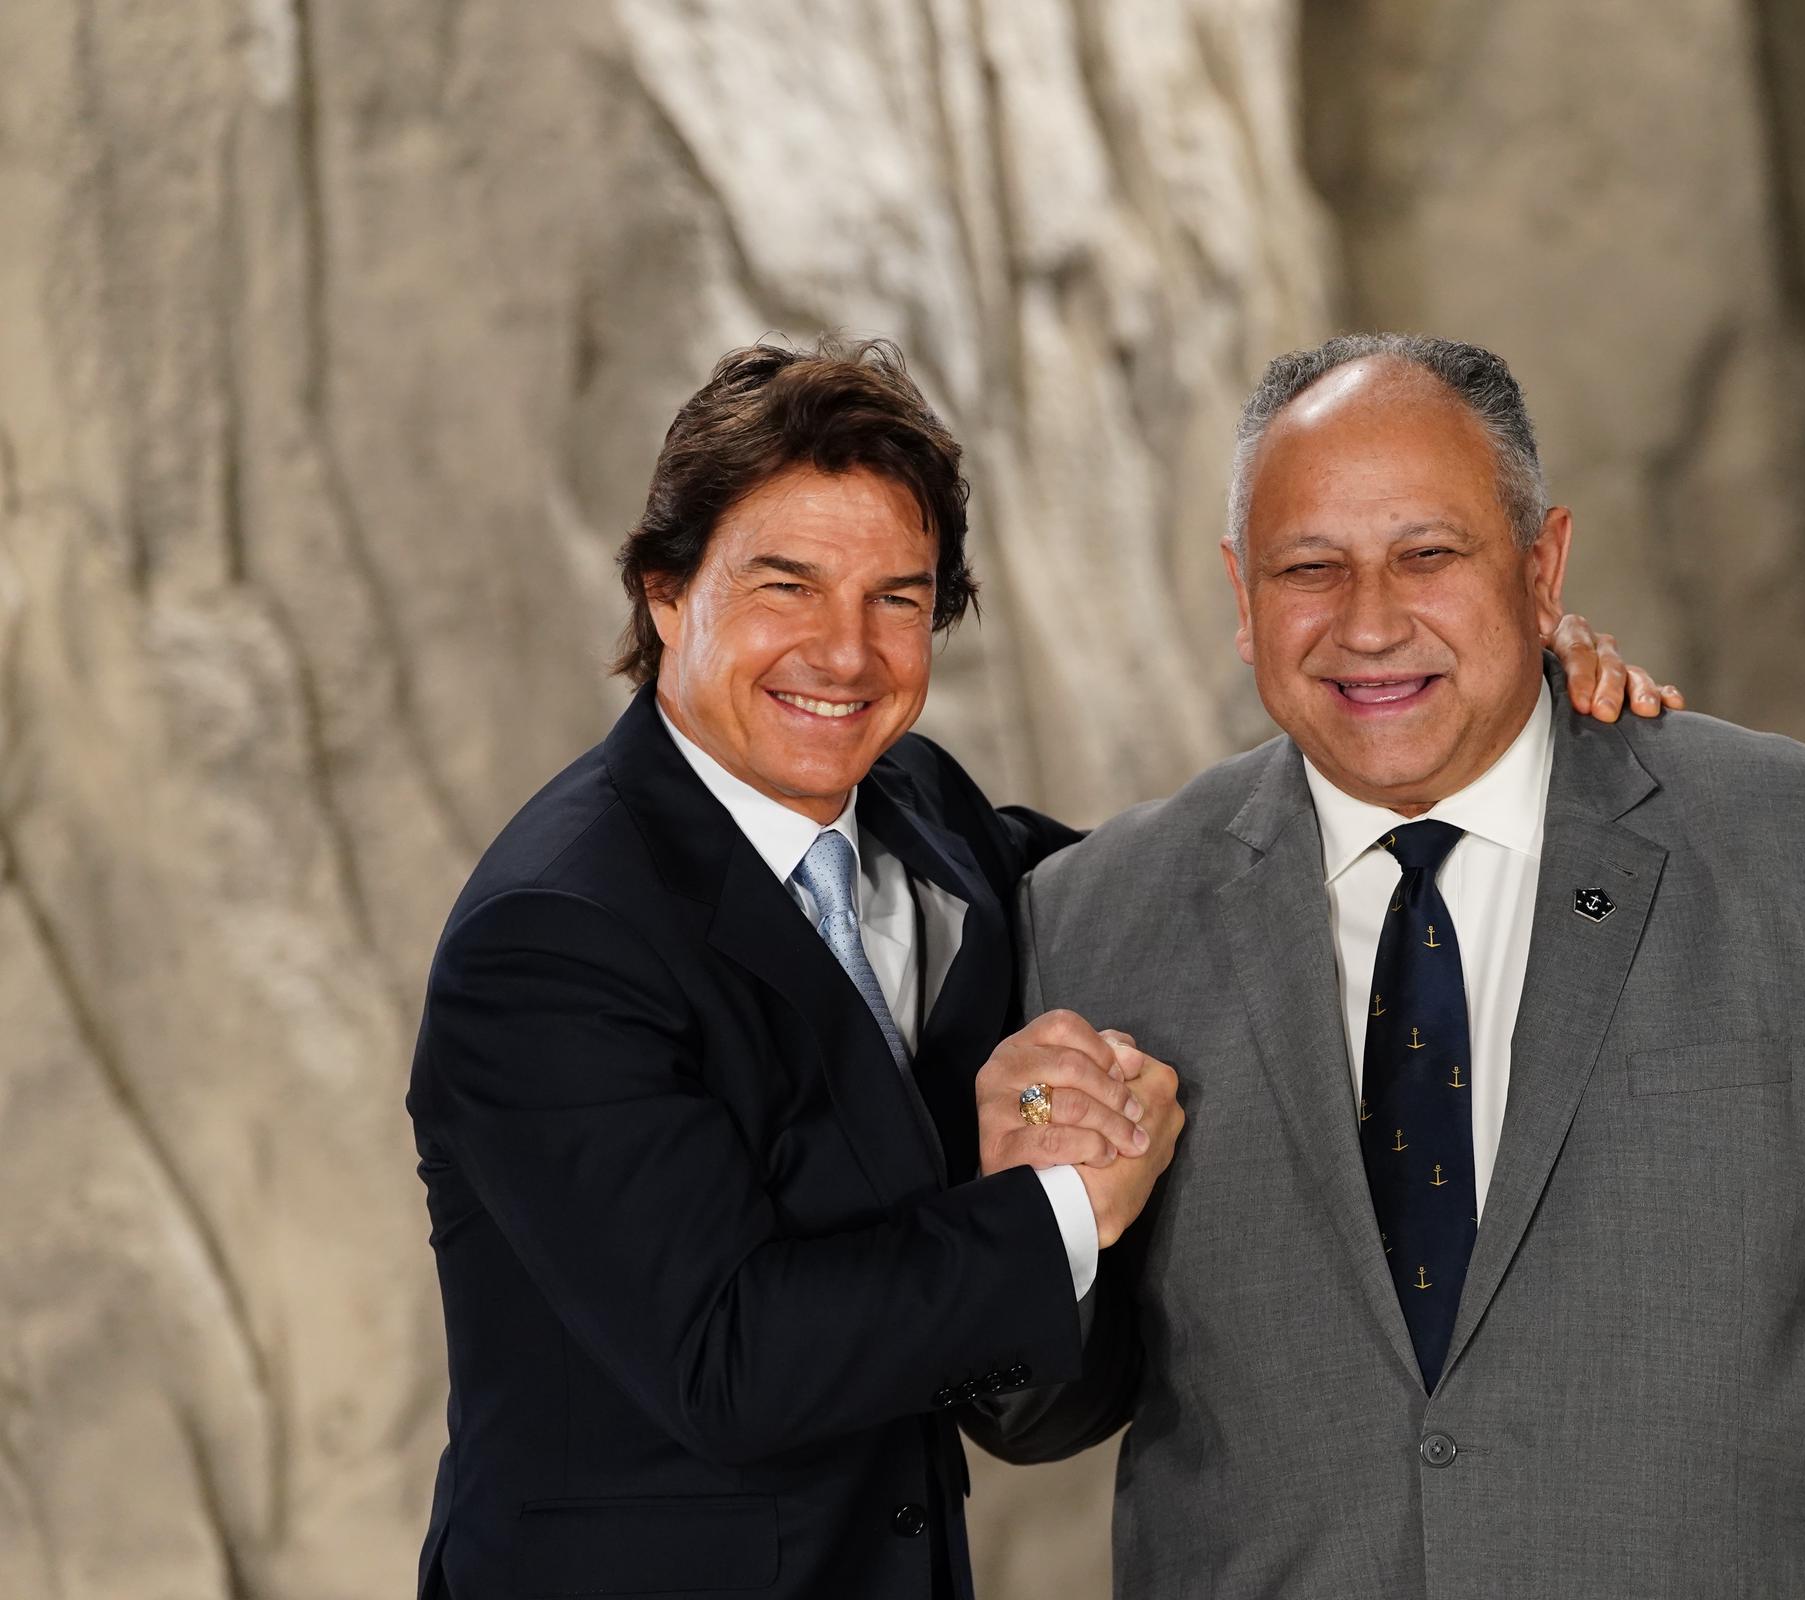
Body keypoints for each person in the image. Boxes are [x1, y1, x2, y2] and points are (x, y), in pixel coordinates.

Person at [403, 336, 1665, 1599]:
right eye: (784, 586)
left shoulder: (917, 812)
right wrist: (1069, 1204)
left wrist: (1493, 694)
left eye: (895, 597)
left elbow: (1185, 899)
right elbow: (732, 1363)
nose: (844, 654)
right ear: (666, 593)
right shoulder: (555, 936)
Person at [990, 333, 1805, 1598]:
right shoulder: (1094, 914)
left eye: (1429, 555)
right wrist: (1034, 1210)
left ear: (1541, 568)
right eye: (1312, 568)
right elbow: (1031, 1415)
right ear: (1243, 596)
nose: (1369, 623)